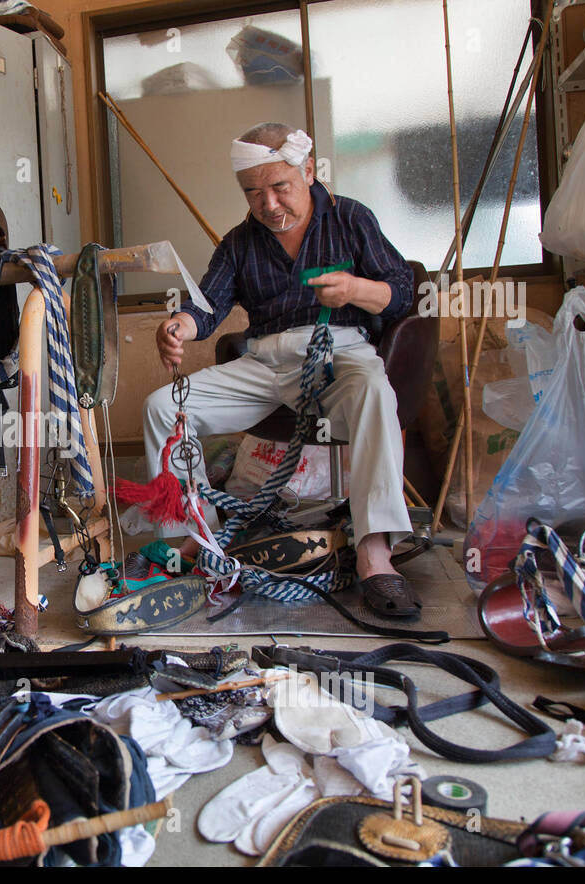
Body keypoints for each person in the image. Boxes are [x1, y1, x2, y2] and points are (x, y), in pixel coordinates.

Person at [143, 121, 421, 619]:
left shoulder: (350, 218)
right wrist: (180, 325)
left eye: (280, 187)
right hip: (264, 361)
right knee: (162, 407)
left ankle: (374, 551)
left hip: (340, 352)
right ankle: (194, 536)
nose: (268, 204)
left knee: (374, 391)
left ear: (308, 171)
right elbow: (208, 305)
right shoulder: (239, 243)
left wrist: (354, 290)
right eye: (253, 193)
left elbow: (403, 291)